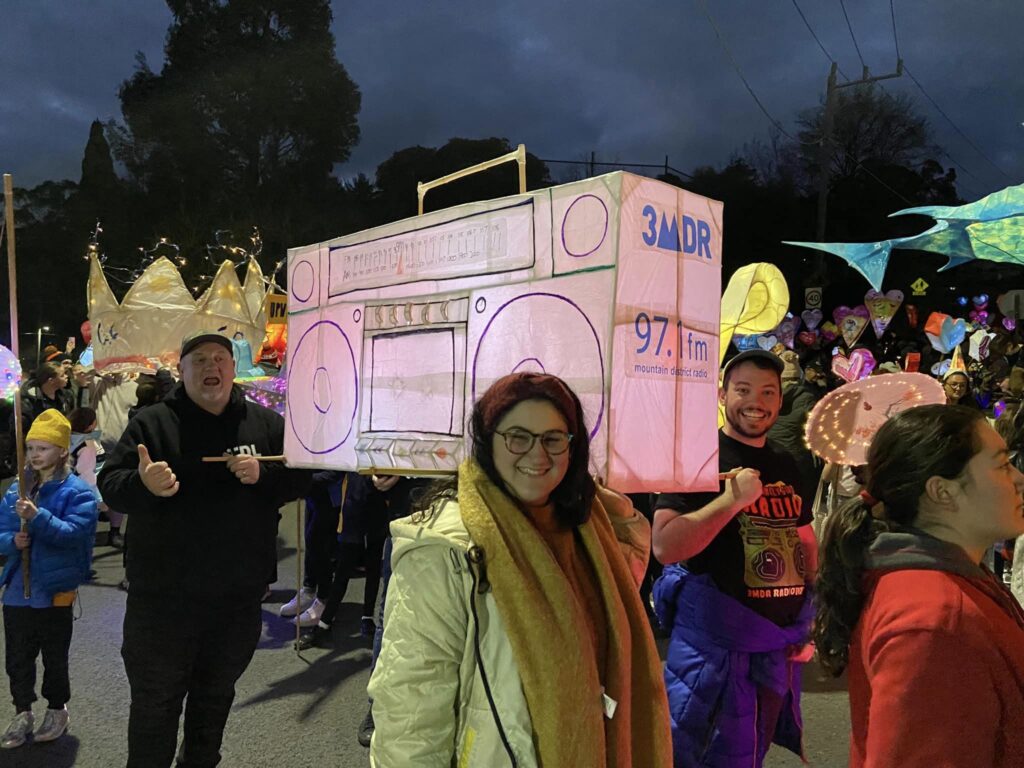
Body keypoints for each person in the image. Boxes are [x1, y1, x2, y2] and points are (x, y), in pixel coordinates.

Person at [368, 372, 672, 767]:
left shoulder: (582, 526)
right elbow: (411, 712)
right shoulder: (446, 550)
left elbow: (613, 606)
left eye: (553, 438)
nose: (538, 455)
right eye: (518, 437)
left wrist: (624, 516)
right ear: (487, 440)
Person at [97, 331, 311, 768]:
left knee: (215, 699)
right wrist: (144, 485)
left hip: (238, 597)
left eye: (220, 359)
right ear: (182, 370)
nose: (211, 367)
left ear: (234, 369)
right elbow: (110, 486)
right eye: (199, 360)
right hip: (162, 600)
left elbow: (307, 476)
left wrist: (264, 477)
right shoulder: (151, 423)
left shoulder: (266, 425)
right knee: (155, 704)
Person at [814, 404, 1024, 767]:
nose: (1018, 477)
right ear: (942, 491)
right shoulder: (934, 622)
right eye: (1003, 464)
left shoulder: (952, 582)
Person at [652, 349, 817, 768]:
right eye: (743, 390)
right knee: (697, 754)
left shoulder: (786, 461)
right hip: (712, 652)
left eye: (767, 392)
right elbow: (665, 546)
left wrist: (808, 612)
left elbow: (803, 538)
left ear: (780, 401)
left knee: (751, 754)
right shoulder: (695, 457)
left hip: (774, 647)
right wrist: (731, 501)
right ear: (722, 394)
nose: (756, 402)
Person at [0, 410, 98, 749]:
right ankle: (22, 710)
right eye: (31, 448)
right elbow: (1, 531)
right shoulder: (17, 489)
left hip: (54, 589)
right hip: (17, 590)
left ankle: (57, 708)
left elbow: (74, 534)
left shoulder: (79, 492)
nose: (35, 455)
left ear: (61, 451)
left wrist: (37, 517)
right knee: (17, 657)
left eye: (43, 448)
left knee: (55, 656)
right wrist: (11, 541)